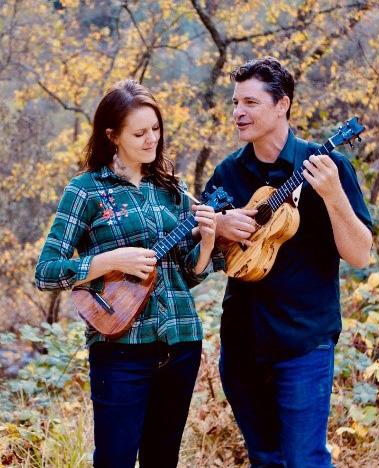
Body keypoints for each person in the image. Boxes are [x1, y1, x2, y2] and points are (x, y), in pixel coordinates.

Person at [35, 79, 222, 468]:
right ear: (112, 135)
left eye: (155, 129)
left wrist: (207, 243)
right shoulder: (86, 190)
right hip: (120, 349)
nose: (151, 139)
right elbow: (46, 272)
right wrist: (110, 261)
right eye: (139, 133)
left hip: (181, 340)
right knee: (114, 460)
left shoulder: (171, 189)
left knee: (162, 460)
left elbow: (187, 275)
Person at [203, 57, 373, 467]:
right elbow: (200, 259)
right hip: (242, 343)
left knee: (304, 460)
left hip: (303, 342)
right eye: (235, 102)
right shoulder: (228, 173)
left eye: (250, 102)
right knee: (264, 458)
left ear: (283, 105)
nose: (238, 112)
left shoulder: (327, 167)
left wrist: (333, 195)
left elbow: (360, 255)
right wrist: (219, 226)